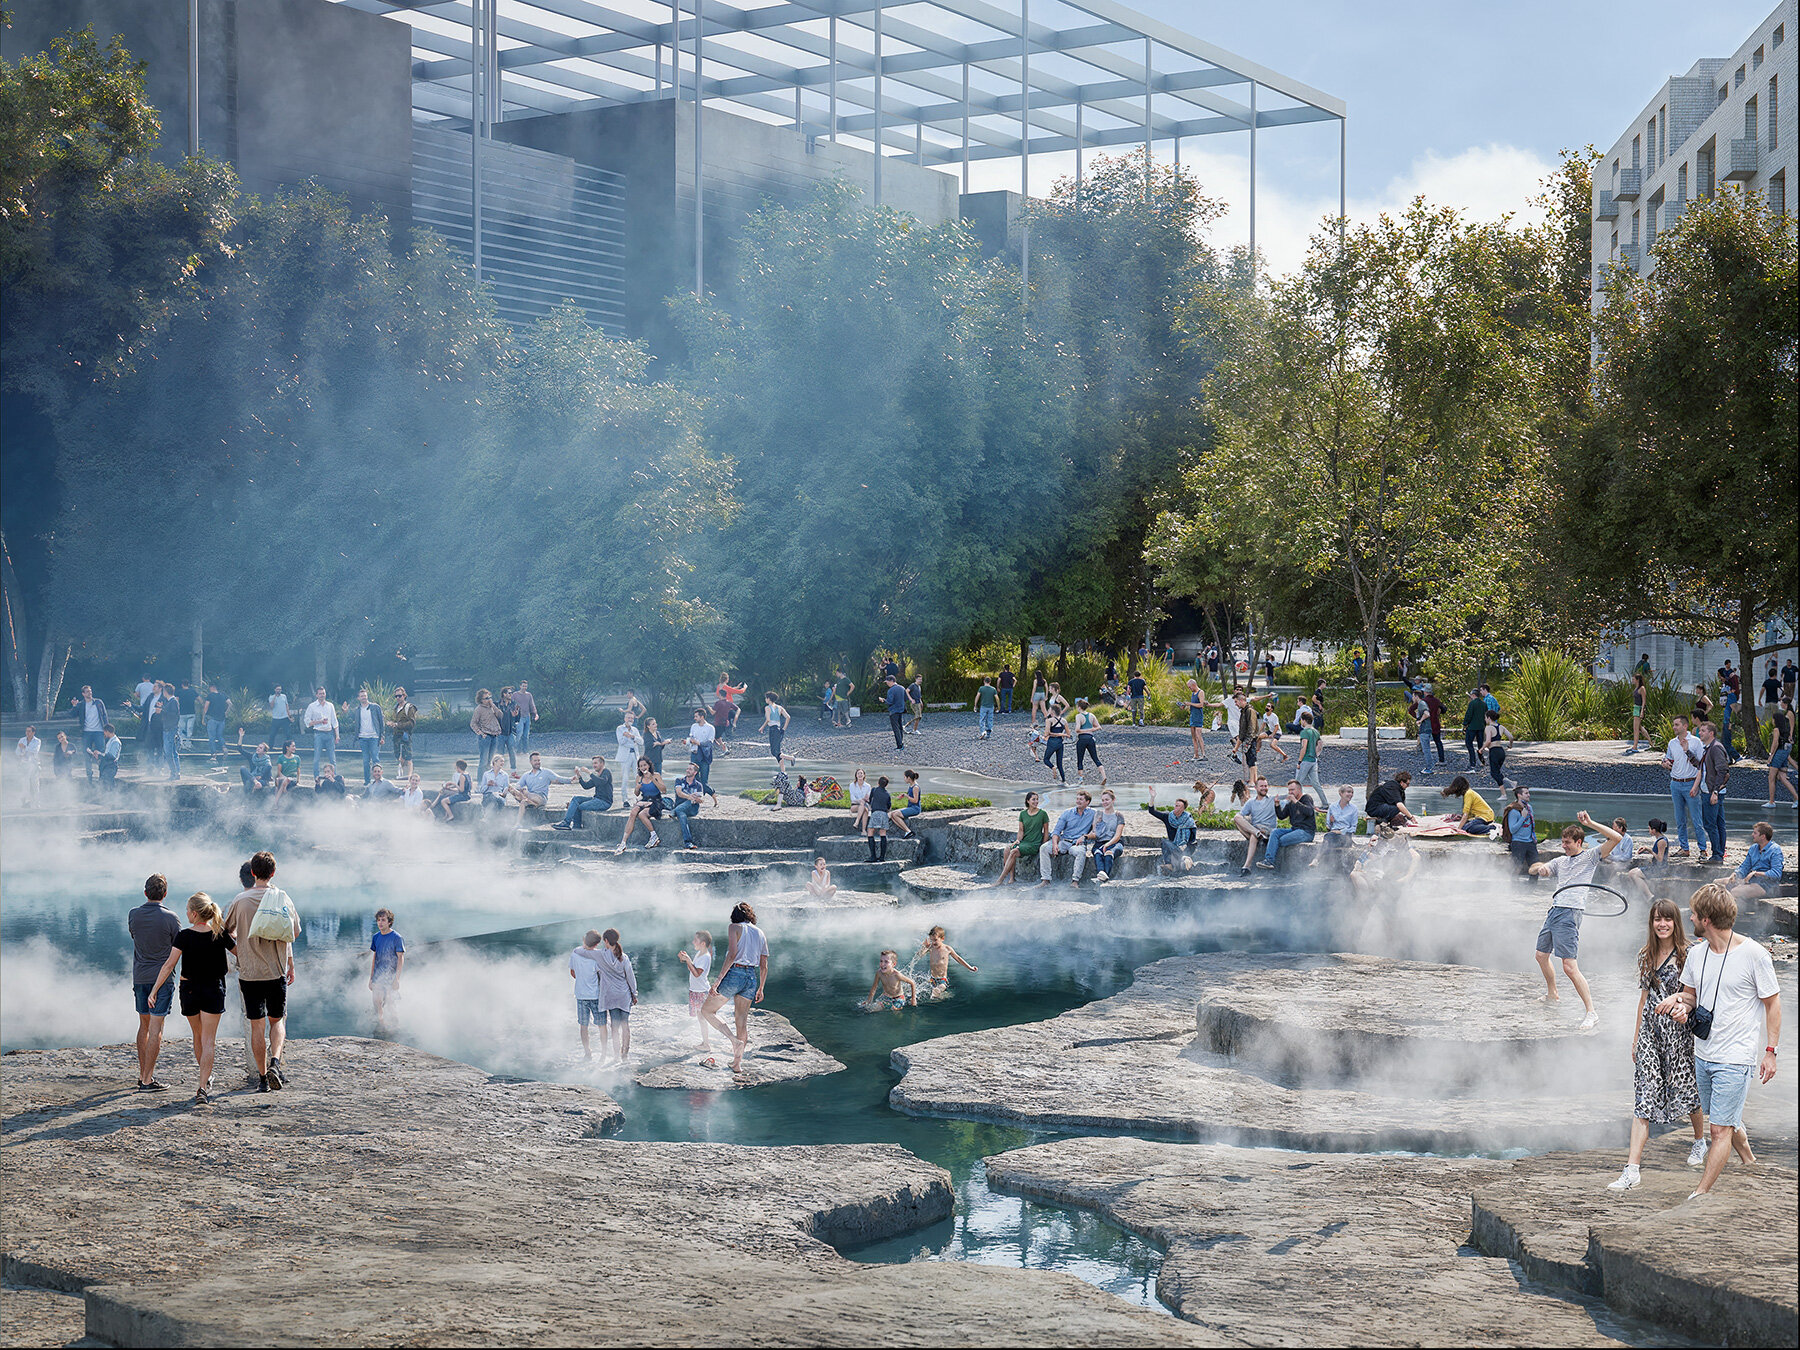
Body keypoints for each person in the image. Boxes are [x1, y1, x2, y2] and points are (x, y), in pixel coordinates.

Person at [1653, 884, 1782, 1198]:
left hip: (1736, 1057)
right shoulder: (1697, 954)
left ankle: (1700, 1193)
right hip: (1704, 1052)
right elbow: (1690, 996)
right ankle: (1749, 1161)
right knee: (1725, 1117)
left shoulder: (1754, 954)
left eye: (1695, 913)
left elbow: (1773, 1003)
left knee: (1718, 1129)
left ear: (1707, 919)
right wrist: (1678, 1003)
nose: (1691, 917)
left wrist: (1770, 1052)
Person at [1607, 898, 1706, 1191]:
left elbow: (1697, 995)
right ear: (1651, 923)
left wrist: (1677, 1002)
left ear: (1676, 922)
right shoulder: (1646, 955)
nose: (1662, 924)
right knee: (1644, 1096)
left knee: (1687, 1089)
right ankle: (1632, 1169)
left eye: (1667, 919)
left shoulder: (1689, 955)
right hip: (1652, 1032)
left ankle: (1700, 1141)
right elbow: (1643, 999)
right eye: (1656, 919)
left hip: (1678, 1032)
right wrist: (1636, 1037)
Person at [1527, 812, 1622, 1031]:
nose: (1564, 846)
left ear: (1579, 842)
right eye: (1562, 842)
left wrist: (1590, 823)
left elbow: (1616, 838)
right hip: (1555, 910)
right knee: (1541, 955)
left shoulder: (1590, 857)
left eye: (1567, 843)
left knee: (1569, 966)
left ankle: (1591, 1012)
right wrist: (1539, 868)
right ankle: (1553, 994)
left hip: (1570, 912)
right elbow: (1536, 869)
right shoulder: (1560, 861)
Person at [144, 892, 234, 1105]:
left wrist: (154, 990)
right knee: (209, 1040)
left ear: (194, 913)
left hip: (189, 989)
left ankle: (205, 1077)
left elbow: (169, 965)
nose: (186, 913)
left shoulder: (184, 936)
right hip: (213, 988)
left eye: (187, 910)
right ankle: (203, 1086)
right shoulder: (219, 934)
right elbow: (241, 953)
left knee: (197, 1034)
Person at [224, 851, 299, 1093]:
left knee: (257, 1026)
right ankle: (275, 1063)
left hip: (249, 975)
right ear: (273, 873)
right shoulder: (282, 898)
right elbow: (294, 933)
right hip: (275, 972)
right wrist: (288, 960)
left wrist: (240, 952)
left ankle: (263, 1079)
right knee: (276, 1022)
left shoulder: (240, 901)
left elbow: (224, 933)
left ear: (253, 873)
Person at [128, 874, 182, 1091]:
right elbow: (178, 946)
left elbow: (134, 937)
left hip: (140, 976)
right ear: (165, 894)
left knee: (144, 1025)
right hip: (162, 980)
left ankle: (143, 1075)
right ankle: (148, 1081)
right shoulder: (171, 918)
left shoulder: (133, 915)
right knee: (157, 1028)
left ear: (145, 893)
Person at [702, 902, 769, 1078]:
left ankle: (733, 1041)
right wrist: (761, 988)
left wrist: (717, 981)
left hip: (735, 973)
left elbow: (732, 955)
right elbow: (764, 965)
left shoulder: (734, 928)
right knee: (741, 1021)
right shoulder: (760, 932)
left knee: (707, 1011)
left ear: (735, 916)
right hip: (751, 977)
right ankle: (737, 1064)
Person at [576, 928, 638, 1065]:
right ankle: (625, 1055)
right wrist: (634, 993)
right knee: (625, 1025)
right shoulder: (624, 957)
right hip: (624, 995)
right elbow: (631, 978)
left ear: (605, 941)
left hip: (610, 996)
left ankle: (616, 1056)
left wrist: (586, 944)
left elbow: (579, 952)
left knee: (614, 1027)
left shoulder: (600, 955)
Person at [1660, 715, 1703, 857]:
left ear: (1685, 726)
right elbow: (1668, 759)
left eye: (1677, 725)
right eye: (1673, 725)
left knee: (1697, 820)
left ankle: (1703, 849)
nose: (1674, 727)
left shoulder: (1696, 742)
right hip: (1675, 784)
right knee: (1680, 819)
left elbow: (1701, 765)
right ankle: (1684, 848)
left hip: (1690, 782)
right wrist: (1664, 763)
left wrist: (1696, 786)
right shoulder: (1672, 743)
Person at [1041, 789, 1098, 886]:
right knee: (1044, 848)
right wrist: (1055, 844)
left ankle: (1075, 881)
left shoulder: (1094, 813)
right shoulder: (1067, 812)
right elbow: (1057, 831)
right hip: (1063, 841)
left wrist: (1085, 836)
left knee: (1080, 852)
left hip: (1077, 843)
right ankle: (1046, 880)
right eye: (1077, 799)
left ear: (1087, 802)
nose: (1078, 801)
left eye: (1081, 799)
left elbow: (1095, 831)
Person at [1692, 719, 1730, 864]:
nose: (1699, 733)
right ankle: (1719, 854)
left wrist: (1714, 792)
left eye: (1703, 731)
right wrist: (1688, 753)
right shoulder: (1709, 748)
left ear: (1711, 733)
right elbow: (1702, 767)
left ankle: (1717, 855)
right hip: (1712, 791)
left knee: (1710, 824)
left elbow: (1723, 770)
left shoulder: (1715, 748)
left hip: (1712, 792)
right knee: (1719, 824)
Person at [1259, 780, 1317, 869]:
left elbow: (1309, 812)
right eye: (1289, 790)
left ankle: (1271, 854)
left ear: (1299, 790)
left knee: (1280, 840)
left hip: (1306, 832)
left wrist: (1295, 801)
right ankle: (1268, 861)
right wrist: (1277, 805)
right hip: (1294, 829)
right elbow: (1282, 816)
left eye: (1292, 790)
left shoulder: (1306, 798)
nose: (1290, 792)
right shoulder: (1290, 803)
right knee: (1275, 832)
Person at [1350, 823, 1418, 898]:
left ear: (1404, 837)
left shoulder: (1413, 855)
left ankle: (1368, 901)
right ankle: (1365, 900)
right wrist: (1369, 848)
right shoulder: (1389, 850)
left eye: (1400, 835)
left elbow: (1408, 877)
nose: (1397, 839)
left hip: (1397, 886)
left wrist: (1391, 883)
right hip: (1385, 881)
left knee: (1381, 888)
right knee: (1355, 875)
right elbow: (1366, 861)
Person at [615, 758, 668, 851]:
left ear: (649, 765)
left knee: (641, 814)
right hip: (644, 800)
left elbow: (664, 790)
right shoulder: (639, 777)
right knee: (633, 812)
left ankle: (654, 836)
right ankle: (623, 842)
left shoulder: (656, 775)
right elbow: (636, 794)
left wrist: (653, 779)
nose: (643, 767)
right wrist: (637, 788)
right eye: (641, 766)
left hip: (656, 801)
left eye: (644, 765)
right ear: (639, 768)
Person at [507, 751, 568, 829]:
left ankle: (528, 797)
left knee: (526, 794)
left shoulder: (546, 772)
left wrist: (571, 780)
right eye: (535, 761)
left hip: (540, 798)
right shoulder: (526, 775)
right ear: (531, 762)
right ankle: (518, 823)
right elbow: (518, 785)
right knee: (513, 791)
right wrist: (519, 789)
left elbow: (560, 779)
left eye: (539, 760)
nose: (537, 762)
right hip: (529, 799)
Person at [999, 790, 1050, 884]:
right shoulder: (1023, 814)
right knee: (1007, 849)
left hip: (1034, 844)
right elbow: (1021, 830)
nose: (1036, 802)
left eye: (1037, 799)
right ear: (1028, 801)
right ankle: (1011, 878)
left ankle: (1000, 879)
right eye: (1033, 799)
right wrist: (1018, 840)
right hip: (1024, 842)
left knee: (1014, 851)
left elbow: (1046, 831)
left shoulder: (1043, 814)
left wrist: (1043, 845)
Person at [569, 930, 605, 1061]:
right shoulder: (598, 955)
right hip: (595, 995)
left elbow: (572, 972)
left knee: (583, 1026)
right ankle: (603, 1053)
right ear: (597, 944)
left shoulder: (575, 952)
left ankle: (587, 1053)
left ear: (584, 939)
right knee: (602, 1025)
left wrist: (581, 979)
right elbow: (602, 975)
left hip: (580, 994)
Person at [1145, 786, 1199, 874]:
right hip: (1173, 847)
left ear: (1183, 809)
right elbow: (1151, 811)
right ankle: (1168, 864)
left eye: (1179, 806)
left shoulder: (1189, 821)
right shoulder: (1168, 817)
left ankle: (1185, 858)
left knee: (1184, 855)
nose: (1176, 807)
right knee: (1164, 842)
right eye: (1176, 805)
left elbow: (1192, 840)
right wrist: (1152, 797)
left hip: (1186, 849)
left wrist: (1185, 851)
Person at [368, 907, 405, 1029]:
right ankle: (381, 1026)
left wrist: (397, 979)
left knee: (390, 1003)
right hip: (378, 975)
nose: (380, 923)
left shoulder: (396, 937)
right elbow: (375, 956)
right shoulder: (376, 937)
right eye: (378, 920)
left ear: (389, 922)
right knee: (377, 1002)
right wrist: (371, 978)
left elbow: (400, 958)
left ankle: (396, 1027)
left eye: (383, 920)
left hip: (390, 975)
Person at [679, 931, 716, 1052]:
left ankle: (706, 1044)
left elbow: (696, 974)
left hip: (701, 991)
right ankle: (705, 1042)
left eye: (695, 940)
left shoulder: (705, 957)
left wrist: (688, 960)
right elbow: (693, 969)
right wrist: (685, 960)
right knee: (700, 1018)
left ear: (703, 943)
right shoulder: (699, 954)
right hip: (695, 990)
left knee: (703, 1018)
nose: (693, 942)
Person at [1729, 822, 1785, 902]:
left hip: (1766, 885)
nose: (1752, 835)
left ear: (1763, 836)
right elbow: (1745, 867)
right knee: (1719, 883)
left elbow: (1776, 874)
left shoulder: (1775, 850)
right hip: (1752, 881)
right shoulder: (1753, 848)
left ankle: (1731, 912)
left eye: (1755, 833)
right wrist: (1735, 874)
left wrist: (1756, 873)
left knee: (1734, 892)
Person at [553, 758, 612, 830]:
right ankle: (569, 824)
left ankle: (574, 824)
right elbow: (586, 786)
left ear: (602, 764)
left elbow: (602, 782)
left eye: (596, 763)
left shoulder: (606, 772)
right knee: (576, 799)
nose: (594, 765)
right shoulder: (596, 775)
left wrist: (589, 772)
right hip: (596, 799)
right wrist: (579, 776)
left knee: (580, 806)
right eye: (593, 763)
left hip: (605, 802)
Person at [919, 925, 977, 998]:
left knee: (941, 988)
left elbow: (958, 959)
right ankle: (939, 995)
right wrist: (924, 947)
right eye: (931, 940)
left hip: (942, 979)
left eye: (935, 940)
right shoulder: (930, 947)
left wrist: (970, 968)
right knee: (928, 990)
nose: (933, 942)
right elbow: (920, 955)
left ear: (942, 938)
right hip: (932, 978)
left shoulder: (947, 949)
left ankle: (938, 993)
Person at [671, 762, 718, 849]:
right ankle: (688, 843)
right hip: (681, 808)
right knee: (681, 814)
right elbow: (679, 792)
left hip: (692, 809)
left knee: (689, 802)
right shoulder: (679, 780)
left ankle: (674, 811)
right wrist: (689, 797)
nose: (687, 770)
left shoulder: (699, 785)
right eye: (687, 769)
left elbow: (699, 800)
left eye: (690, 769)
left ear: (695, 772)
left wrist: (694, 799)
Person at [1085, 789, 1128, 882]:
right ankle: (1102, 874)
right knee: (1097, 852)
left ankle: (1103, 877)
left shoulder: (1118, 815)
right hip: (1099, 842)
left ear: (1113, 800)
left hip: (1115, 842)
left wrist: (1107, 845)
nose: (1105, 802)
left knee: (1108, 853)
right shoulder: (1098, 814)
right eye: (1103, 800)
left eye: (1107, 800)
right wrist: (1086, 836)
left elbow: (1117, 835)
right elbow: (1095, 832)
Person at [71, 685, 109, 782]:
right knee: (87, 754)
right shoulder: (81, 704)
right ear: (83, 694)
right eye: (87, 692)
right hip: (87, 732)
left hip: (99, 731)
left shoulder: (98, 702)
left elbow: (105, 716)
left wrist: (106, 730)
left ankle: (102, 775)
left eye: (90, 691)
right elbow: (72, 714)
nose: (90, 693)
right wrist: (74, 706)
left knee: (101, 753)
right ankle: (89, 776)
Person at [1764, 696, 1796, 807]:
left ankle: (1772, 801)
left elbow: (1775, 743)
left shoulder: (1777, 729)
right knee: (1782, 777)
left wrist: (1771, 755)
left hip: (1780, 751)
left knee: (1771, 777)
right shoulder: (1783, 730)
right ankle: (1796, 798)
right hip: (1785, 750)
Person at [350, 687, 385, 785]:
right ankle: (367, 781)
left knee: (375, 759)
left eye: (365, 696)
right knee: (365, 761)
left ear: (367, 696)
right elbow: (351, 719)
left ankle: (378, 781)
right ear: (358, 698)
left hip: (374, 737)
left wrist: (382, 736)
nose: (363, 698)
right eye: (361, 696)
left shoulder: (375, 707)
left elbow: (382, 722)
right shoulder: (357, 710)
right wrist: (345, 711)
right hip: (363, 738)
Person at [1501, 785, 1539, 874]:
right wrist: (1522, 817)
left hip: (1530, 841)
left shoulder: (1529, 808)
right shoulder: (1513, 810)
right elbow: (1512, 829)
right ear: (1519, 795)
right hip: (1518, 842)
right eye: (1526, 793)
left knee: (1536, 867)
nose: (1528, 795)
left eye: (1528, 793)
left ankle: (1531, 887)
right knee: (1516, 868)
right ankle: (1514, 887)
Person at [303, 685, 339, 780]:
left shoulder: (330, 705)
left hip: (329, 733)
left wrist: (337, 735)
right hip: (318, 733)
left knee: (332, 758)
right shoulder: (312, 706)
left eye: (323, 693)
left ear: (325, 694)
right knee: (316, 758)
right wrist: (319, 721)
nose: (322, 695)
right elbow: (307, 722)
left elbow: (335, 721)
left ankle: (333, 777)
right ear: (316, 695)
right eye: (320, 694)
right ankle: (316, 777)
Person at [1071, 698, 1107, 786]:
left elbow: (1077, 729)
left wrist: (1086, 730)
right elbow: (1098, 727)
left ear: (1079, 707)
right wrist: (1091, 729)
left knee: (1080, 759)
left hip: (1082, 739)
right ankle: (1104, 776)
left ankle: (1081, 779)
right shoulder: (1091, 715)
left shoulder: (1078, 716)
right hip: (1091, 739)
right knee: (1095, 758)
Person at [754, 691, 792, 766]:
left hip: (773, 729)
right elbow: (788, 717)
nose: (765, 699)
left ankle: (791, 758)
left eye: (766, 698)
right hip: (778, 729)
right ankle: (783, 772)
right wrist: (783, 729)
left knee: (774, 752)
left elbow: (768, 720)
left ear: (768, 699)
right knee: (777, 751)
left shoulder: (767, 708)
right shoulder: (780, 707)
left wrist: (762, 727)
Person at [1321, 785, 1360, 858]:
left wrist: (1341, 832)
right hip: (1333, 834)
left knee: (1330, 841)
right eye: (1348, 792)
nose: (1351, 794)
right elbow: (1328, 826)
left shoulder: (1354, 809)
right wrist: (1331, 822)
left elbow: (1353, 828)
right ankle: (1319, 860)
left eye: (1352, 793)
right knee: (1327, 837)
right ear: (1341, 793)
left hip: (1346, 835)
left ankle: (1317, 859)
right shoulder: (1333, 806)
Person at [470, 689, 504, 772]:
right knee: (483, 761)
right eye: (486, 698)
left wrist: (493, 705)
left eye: (489, 697)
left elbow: (500, 715)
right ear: (481, 700)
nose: (488, 700)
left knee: (490, 761)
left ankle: (487, 780)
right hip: (485, 736)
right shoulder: (479, 709)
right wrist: (480, 733)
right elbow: (473, 723)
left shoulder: (492, 707)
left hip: (494, 736)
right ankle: (480, 782)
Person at [613, 709, 645, 795]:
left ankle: (639, 796)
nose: (630, 719)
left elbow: (641, 742)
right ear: (625, 719)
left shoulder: (635, 729)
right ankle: (625, 799)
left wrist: (632, 737)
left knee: (638, 777)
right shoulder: (620, 728)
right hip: (625, 756)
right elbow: (621, 742)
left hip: (635, 755)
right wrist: (626, 737)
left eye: (632, 718)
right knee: (625, 778)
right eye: (628, 718)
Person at [1293, 711, 1323, 799]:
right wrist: (1316, 755)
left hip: (1306, 760)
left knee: (1297, 783)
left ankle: (1295, 802)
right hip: (1314, 760)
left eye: (1301, 720)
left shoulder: (1304, 732)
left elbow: (1304, 747)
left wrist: (1299, 761)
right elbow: (1320, 745)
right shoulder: (1316, 732)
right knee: (1316, 784)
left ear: (1304, 720)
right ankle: (1325, 803)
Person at [683, 708, 717, 788]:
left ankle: (710, 793)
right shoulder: (693, 726)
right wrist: (687, 741)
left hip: (704, 755)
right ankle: (696, 795)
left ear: (702, 717)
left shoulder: (710, 728)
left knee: (704, 778)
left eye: (696, 716)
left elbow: (709, 743)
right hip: (694, 754)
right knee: (693, 776)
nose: (694, 718)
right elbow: (691, 738)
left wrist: (698, 743)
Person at [865, 775, 895, 861]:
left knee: (870, 831)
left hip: (875, 813)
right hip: (884, 814)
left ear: (878, 783)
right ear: (886, 785)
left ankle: (873, 856)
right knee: (883, 833)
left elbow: (870, 800)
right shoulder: (887, 794)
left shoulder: (874, 790)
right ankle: (882, 857)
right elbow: (889, 806)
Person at [390, 686, 417, 779]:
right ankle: (404, 775)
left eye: (400, 696)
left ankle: (409, 776)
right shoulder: (395, 708)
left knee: (408, 756)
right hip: (396, 735)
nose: (398, 698)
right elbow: (394, 720)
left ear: (404, 695)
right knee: (399, 757)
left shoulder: (409, 707)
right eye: (396, 696)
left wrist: (398, 725)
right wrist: (391, 723)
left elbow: (412, 723)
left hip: (405, 734)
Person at [13, 725, 42, 806]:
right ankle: (25, 802)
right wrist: (21, 754)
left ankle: (36, 803)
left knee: (35, 785)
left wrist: (24, 748)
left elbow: (34, 751)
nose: (27, 733)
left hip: (34, 764)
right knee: (25, 784)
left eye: (29, 731)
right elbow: (17, 751)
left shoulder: (37, 741)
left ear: (33, 732)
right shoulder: (21, 740)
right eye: (26, 731)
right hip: (24, 764)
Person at [889, 768, 923, 837]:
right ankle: (906, 831)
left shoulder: (915, 787)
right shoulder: (911, 785)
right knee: (892, 814)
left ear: (909, 778)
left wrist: (907, 796)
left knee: (895, 815)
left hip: (915, 809)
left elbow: (915, 800)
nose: (904, 779)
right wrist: (903, 795)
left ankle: (908, 831)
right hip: (910, 807)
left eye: (905, 777)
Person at [1480, 710, 1509, 789]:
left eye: (1485, 718)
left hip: (1494, 752)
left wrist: (1482, 748)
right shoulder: (1501, 727)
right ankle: (1511, 783)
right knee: (1497, 772)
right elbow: (1511, 737)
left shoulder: (1488, 728)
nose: (1485, 719)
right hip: (1501, 751)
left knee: (1494, 773)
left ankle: (1503, 794)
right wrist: (1510, 745)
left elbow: (1488, 741)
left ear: (1489, 718)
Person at [1041, 704, 1069, 785]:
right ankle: (1064, 781)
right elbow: (1068, 734)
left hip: (1052, 742)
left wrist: (1045, 736)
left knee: (1046, 759)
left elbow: (1047, 733)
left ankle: (1053, 767)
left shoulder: (1049, 720)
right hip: (1060, 743)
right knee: (1060, 763)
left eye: (1049, 709)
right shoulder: (1064, 720)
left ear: (1052, 711)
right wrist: (1061, 735)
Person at [510, 680, 539, 758]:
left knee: (526, 735)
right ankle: (518, 751)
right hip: (519, 717)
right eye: (523, 686)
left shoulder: (529, 695)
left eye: (526, 686)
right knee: (519, 734)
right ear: (520, 686)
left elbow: (532, 705)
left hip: (527, 716)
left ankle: (525, 751)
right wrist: (513, 712)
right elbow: (510, 704)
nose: (524, 687)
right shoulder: (515, 695)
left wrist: (535, 714)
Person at [202, 683, 230, 762]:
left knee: (212, 738)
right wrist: (226, 712)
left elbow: (206, 707)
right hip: (221, 719)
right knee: (220, 736)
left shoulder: (210, 696)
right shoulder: (223, 695)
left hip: (212, 719)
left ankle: (213, 755)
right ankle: (224, 747)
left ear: (212, 687)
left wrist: (203, 718)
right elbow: (230, 704)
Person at [1461, 689, 1487, 769]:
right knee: (1480, 744)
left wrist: (1465, 724)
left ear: (1473, 695)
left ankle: (1472, 762)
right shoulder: (1484, 704)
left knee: (1469, 743)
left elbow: (1469, 714)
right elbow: (1486, 715)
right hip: (1481, 726)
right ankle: (1481, 760)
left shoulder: (1472, 703)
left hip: (1472, 727)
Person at [882, 675, 908, 751]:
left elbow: (889, 701)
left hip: (894, 711)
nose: (887, 684)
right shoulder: (902, 688)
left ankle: (899, 746)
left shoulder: (891, 690)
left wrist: (883, 700)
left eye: (887, 682)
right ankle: (901, 743)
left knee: (896, 728)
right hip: (901, 710)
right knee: (900, 727)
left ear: (891, 681)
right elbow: (905, 698)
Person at [1185, 680, 1210, 762]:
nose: (1189, 689)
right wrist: (1186, 706)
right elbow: (1194, 704)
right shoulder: (1193, 693)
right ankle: (1196, 754)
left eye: (1190, 687)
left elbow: (1201, 705)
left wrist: (1190, 704)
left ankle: (1203, 754)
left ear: (1193, 685)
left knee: (1198, 735)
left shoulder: (1200, 692)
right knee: (1193, 736)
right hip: (1193, 716)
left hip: (1198, 717)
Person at [1625, 673, 1649, 755]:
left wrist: (1642, 711)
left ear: (1637, 680)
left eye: (1634, 679)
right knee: (1639, 728)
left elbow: (1644, 701)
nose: (1632, 681)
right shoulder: (1636, 688)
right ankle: (1651, 742)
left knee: (1636, 729)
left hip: (1639, 709)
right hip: (1635, 708)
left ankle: (1635, 747)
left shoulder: (1642, 688)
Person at [94, 722, 122, 789]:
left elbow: (112, 756)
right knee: (105, 784)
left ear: (107, 731)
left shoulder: (115, 742)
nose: (104, 734)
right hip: (106, 765)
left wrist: (100, 754)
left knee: (107, 784)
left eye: (104, 732)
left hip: (110, 766)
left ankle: (111, 797)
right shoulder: (110, 740)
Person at [975, 675, 999, 740]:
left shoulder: (981, 688)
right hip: (991, 707)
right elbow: (997, 698)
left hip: (983, 706)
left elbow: (977, 696)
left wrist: (975, 705)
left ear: (984, 681)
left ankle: (982, 731)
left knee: (982, 719)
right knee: (990, 719)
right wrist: (998, 706)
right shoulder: (993, 689)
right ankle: (988, 733)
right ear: (990, 682)